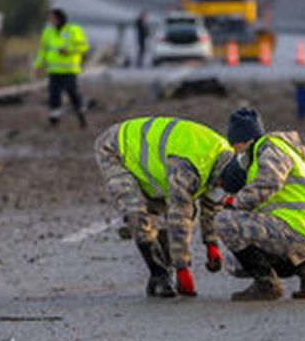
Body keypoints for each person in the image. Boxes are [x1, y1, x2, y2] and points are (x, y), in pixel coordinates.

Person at [94, 116, 235, 298]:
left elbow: (212, 203)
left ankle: (162, 270)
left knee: (171, 209)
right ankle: (159, 274)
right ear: (219, 176)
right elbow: (179, 217)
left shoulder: (227, 159)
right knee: (138, 213)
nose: (219, 188)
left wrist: (211, 244)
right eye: (220, 184)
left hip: (158, 163)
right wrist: (183, 269)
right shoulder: (189, 166)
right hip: (115, 149)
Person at [215, 107, 305, 302]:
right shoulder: (266, 156)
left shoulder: (269, 146)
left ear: (243, 140)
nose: (235, 152)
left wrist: (236, 202)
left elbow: (270, 182)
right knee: (235, 263)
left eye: (235, 146)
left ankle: (266, 285)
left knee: (224, 221)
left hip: (299, 226)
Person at [34, 9, 89, 128]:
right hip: (53, 70)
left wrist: (69, 51)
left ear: (59, 18)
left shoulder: (73, 30)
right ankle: (54, 119)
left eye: (52, 18)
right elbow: (43, 50)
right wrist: (37, 65)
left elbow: (83, 47)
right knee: (53, 94)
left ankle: (81, 114)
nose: (50, 20)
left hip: (70, 69)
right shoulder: (48, 32)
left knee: (72, 92)